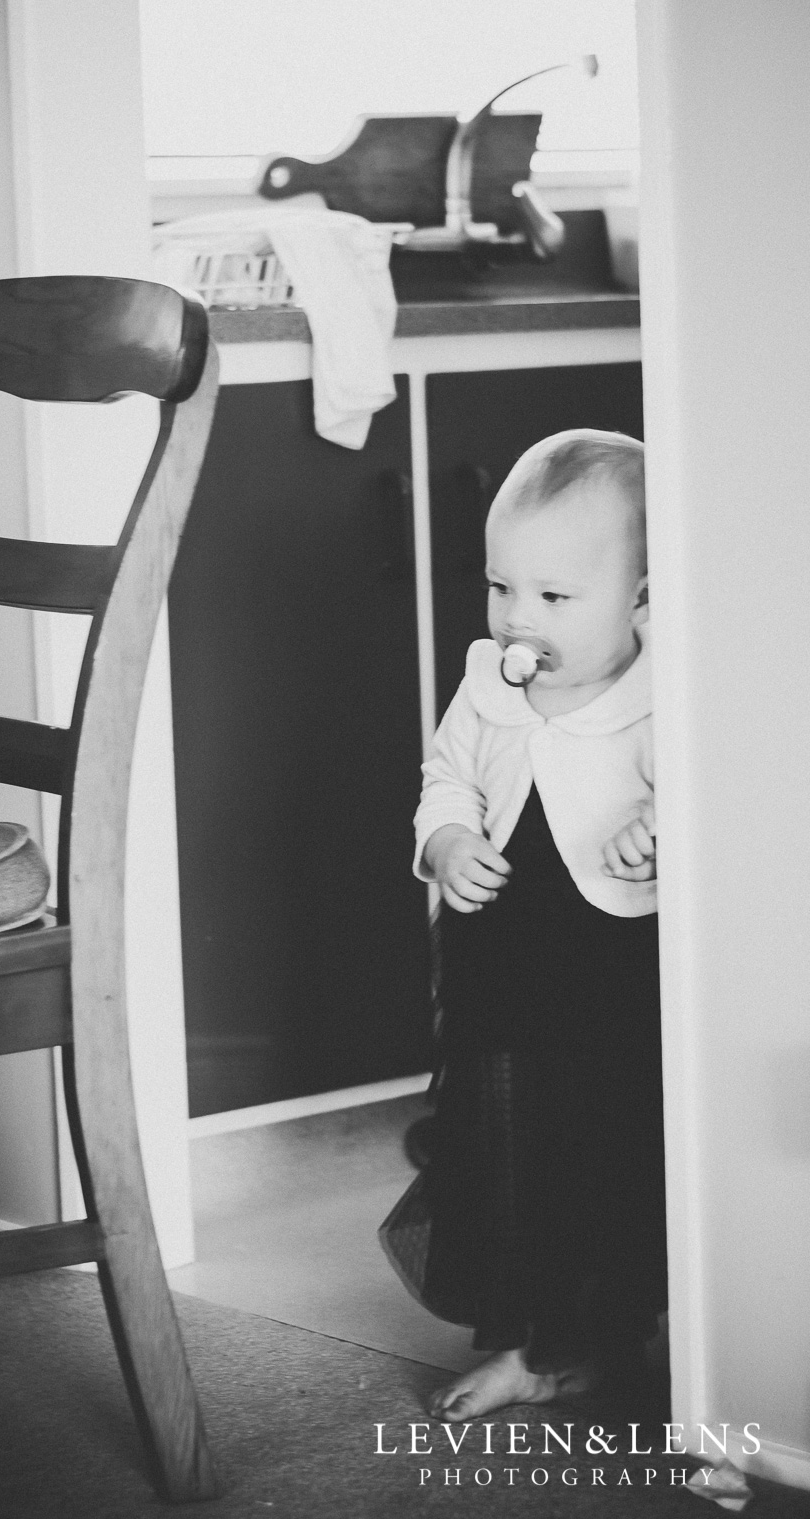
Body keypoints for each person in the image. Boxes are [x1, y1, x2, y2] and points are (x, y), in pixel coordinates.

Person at [379, 428, 666, 1421]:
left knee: (604, 1152)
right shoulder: (487, 684)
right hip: (494, 962)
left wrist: (654, 828)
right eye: (503, 587)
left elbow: (703, 808)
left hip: (608, 972)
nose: (517, 617)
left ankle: (605, 1333)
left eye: (553, 596)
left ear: (639, 598)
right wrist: (449, 842)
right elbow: (445, 778)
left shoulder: (659, 700)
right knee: (500, 1152)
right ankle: (518, 1341)